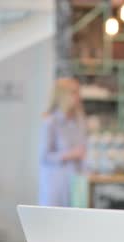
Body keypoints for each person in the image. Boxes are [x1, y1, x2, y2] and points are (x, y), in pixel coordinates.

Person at [38, 78, 87, 207]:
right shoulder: (50, 122)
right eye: (74, 92)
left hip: (77, 183)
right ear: (63, 96)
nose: (79, 96)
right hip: (56, 184)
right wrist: (70, 154)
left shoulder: (79, 120)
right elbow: (44, 157)